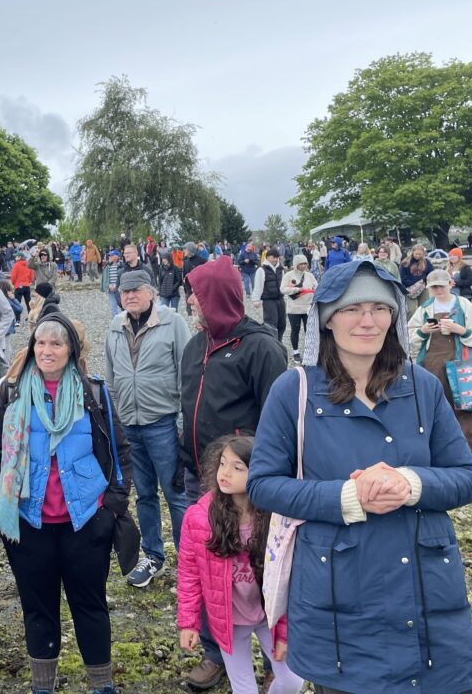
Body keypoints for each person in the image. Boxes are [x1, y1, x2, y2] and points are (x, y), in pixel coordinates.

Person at [247, 260, 472, 694]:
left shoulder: (423, 387)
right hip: (337, 591)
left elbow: (467, 476)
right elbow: (262, 484)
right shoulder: (293, 390)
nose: (367, 321)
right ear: (327, 319)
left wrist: (411, 484)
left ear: (394, 316)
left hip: (427, 588)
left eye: (379, 308)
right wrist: (347, 498)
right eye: (353, 309)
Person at [0, 312, 132, 694]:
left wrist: (111, 509)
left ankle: (102, 686)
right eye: (40, 343)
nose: (46, 351)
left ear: (72, 350)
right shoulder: (12, 391)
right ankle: (42, 687)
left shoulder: (92, 392)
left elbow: (120, 452)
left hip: (85, 521)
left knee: (90, 606)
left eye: (56, 344)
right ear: (32, 347)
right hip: (28, 524)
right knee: (38, 610)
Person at [179, 256, 288, 690]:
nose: (190, 301)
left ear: (217, 297)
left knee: (258, 565)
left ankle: (272, 648)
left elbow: (281, 419)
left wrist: (266, 476)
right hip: (201, 479)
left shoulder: (261, 347)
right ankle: (216, 649)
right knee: (211, 567)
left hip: (252, 485)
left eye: (197, 294)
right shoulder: (195, 345)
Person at [178, 435, 304, 694]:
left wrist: (285, 634)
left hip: (268, 615)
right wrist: (189, 623)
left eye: (237, 468)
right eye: (223, 463)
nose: (225, 473)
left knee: (293, 681)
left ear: (258, 471)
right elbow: (189, 574)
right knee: (244, 689)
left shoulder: (276, 517)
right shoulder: (198, 518)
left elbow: (288, 578)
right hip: (229, 621)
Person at [105, 270, 190, 587]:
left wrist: (183, 422)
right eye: (124, 292)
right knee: (143, 495)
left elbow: (187, 372)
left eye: (135, 290)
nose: (129, 296)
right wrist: (116, 420)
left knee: (176, 494)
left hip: (164, 422)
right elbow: (111, 378)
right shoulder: (115, 326)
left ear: (151, 292)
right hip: (130, 426)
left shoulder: (172, 322)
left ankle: (189, 559)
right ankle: (153, 556)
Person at [409, 269, 472, 455]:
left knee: (465, 406)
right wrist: (423, 330)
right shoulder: (425, 309)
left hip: (461, 363)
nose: (437, 290)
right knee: (434, 406)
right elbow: (410, 337)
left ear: (450, 284)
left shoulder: (464, 305)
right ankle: (439, 452)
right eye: (433, 287)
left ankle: (469, 451)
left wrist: (460, 330)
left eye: (440, 286)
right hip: (431, 364)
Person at [281, 254, 317, 364]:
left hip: (308, 307)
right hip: (294, 308)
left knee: (309, 330)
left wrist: (315, 290)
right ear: (296, 264)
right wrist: (296, 289)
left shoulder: (310, 275)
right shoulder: (288, 275)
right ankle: (295, 352)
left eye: (305, 263)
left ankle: (309, 351)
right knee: (295, 330)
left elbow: (316, 286)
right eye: (301, 263)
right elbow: (283, 289)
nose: (304, 265)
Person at [252, 247, 286, 342]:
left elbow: (284, 284)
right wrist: (256, 299)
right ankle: (271, 344)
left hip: (280, 299)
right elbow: (258, 286)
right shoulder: (261, 270)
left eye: (277, 257)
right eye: (273, 257)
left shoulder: (281, 269)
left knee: (282, 324)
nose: (275, 259)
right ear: (267, 258)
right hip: (269, 300)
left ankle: (279, 342)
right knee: (271, 324)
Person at [400, 243, 434, 315]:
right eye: (416, 254)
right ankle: (410, 325)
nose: (417, 256)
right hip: (409, 288)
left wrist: (425, 282)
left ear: (423, 254)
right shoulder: (405, 262)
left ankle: (424, 323)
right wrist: (415, 282)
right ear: (412, 252)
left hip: (423, 288)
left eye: (420, 254)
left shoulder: (426, 262)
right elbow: (403, 277)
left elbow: (431, 274)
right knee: (411, 310)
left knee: (425, 307)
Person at [100, 249, 123, 317]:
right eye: (109, 256)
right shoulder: (107, 266)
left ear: (117, 257)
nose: (110, 257)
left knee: (123, 305)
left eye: (111, 256)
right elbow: (105, 278)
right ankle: (115, 321)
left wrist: (117, 286)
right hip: (110, 289)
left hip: (119, 289)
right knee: (113, 307)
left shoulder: (121, 265)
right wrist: (108, 286)